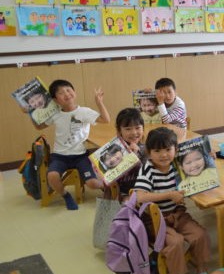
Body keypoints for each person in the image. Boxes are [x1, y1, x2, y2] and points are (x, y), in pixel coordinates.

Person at [133, 127, 210, 274]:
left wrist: (208, 160)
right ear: (148, 152)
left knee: (200, 234)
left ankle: (202, 270)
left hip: (178, 214)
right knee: (176, 242)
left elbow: (198, 173)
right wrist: (169, 194)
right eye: (157, 151)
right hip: (155, 221)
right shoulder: (148, 169)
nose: (163, 155)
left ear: (176, 149)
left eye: (168, 149)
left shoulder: (177, 163)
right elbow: (139, 197)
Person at [28, 79, 110, 210]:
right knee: (52, 176)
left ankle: (107, 188)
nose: (66, 94)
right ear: (55, 100)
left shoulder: (84, 111)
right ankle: (66, 195)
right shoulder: (55, 114)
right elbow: (39, 126)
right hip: (60, 156)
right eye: (60, 93)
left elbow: (106, 119)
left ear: (74, 92)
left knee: (93, 183)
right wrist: (30, 113)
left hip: (80, 156)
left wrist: (99, 102)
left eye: (68, 90)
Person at [112, 108, 147, 199]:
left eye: (137, 128)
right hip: (121, 191)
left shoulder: (146, 149)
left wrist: (135, 155)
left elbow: (147, 173)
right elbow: (111, 175)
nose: (134, 132)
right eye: (128, 129)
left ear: (143, 128)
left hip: (142, 191)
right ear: (119, 131)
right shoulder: (114, 149)